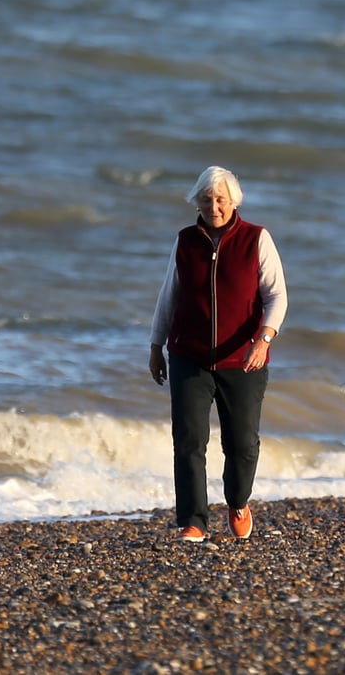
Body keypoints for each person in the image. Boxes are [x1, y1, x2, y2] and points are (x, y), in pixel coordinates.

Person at [149, 166, 288, 543]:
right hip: (188, 357)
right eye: (207, 200)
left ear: (234, 201)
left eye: (221, 200)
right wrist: (155, 345)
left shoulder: (256, 239)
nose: (214, 207)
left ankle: (238, 501)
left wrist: (264, 338)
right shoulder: (185, 242)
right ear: (197, 202)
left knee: (242, 444)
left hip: (244, 359)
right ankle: (193, 521)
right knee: (189, 441)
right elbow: (169, 296)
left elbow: (277, 296)